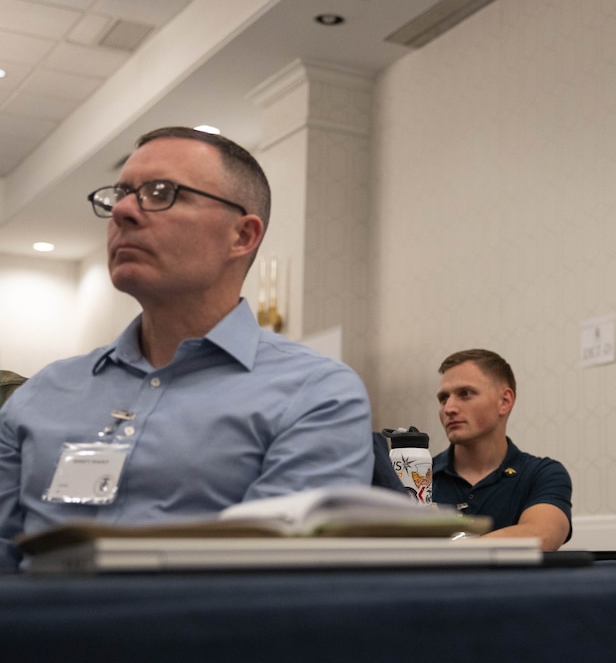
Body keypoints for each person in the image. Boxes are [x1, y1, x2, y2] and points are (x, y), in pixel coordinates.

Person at [0, 127, 374, 570]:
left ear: (242, 236)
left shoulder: (314, 394)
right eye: (120, 194)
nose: (122, 211)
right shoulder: (43, 392)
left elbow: (273, 586)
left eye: (161, 193)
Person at [432, 349, 572, 551]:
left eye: (465, 394)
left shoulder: (541, 474)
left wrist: (446, 552)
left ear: (504, 401)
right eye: (443, 398)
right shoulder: (418, 478)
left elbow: (541, 535)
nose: (449, 408)